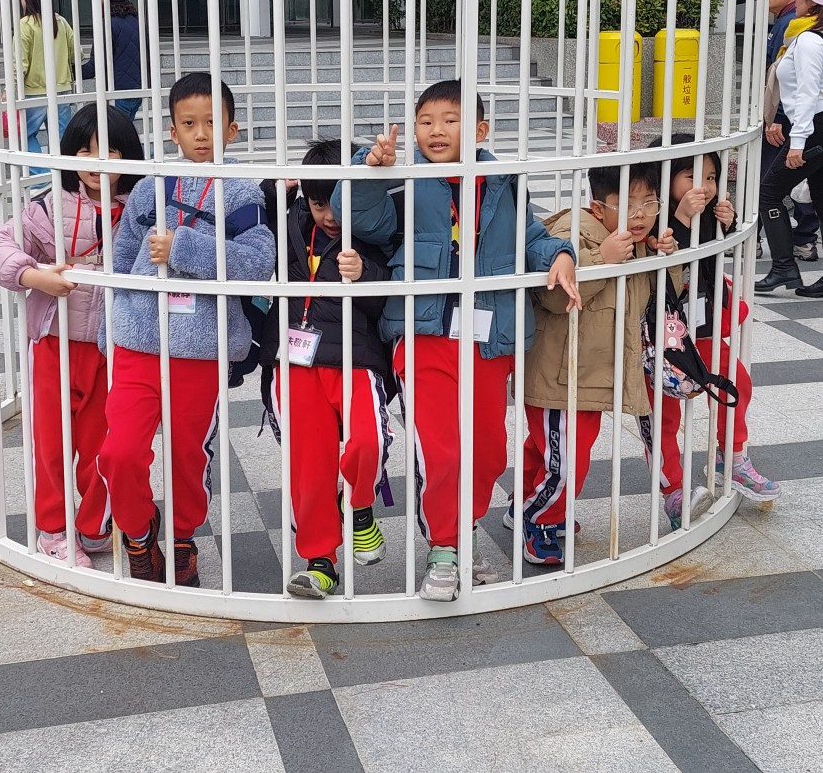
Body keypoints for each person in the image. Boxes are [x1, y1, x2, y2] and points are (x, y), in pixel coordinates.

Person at [334, 78, 581, 601]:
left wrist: (561, 255)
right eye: (425, 122)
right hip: (423, 333)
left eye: (451, 120)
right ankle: (444, 548)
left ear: (480, 130)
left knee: (488, 451)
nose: (436, 130)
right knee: (440, 449)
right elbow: (358, 217)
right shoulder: (405, 179)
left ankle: (461, 530)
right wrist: (370, 168)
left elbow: (531, 237)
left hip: (487, 337)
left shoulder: (503, 181)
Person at [97, 72, 276, 587]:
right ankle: (138, 533)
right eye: (189, 124)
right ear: (172, 131)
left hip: (202, 346)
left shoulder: (243, 193)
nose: (201, 134)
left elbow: (258, 263)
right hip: (138, 340)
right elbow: (121, 263)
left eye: (212, 123)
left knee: (189, 454)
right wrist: (114, 327)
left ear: (232, 130)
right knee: (119, 452)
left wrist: (183, 247)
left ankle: (180, 538)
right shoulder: (149, 187)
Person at [0, 105, 144, 566]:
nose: (96, 161)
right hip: (55, 342)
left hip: (113, 344)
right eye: (84, 150)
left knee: (101, 442)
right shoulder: (51, 205)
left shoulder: (143, 205)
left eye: (109, 150)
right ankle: (52, 528)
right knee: (51, 442)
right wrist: (33, 276)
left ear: (128, 154)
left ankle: (94, 524)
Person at [517, 161, 693, 565]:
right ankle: (540, 519)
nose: (640, 214)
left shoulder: (640, 241)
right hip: (560, 375)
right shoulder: (570, 234)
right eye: (628, 204)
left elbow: (663, 298)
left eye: (649, 203)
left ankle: (527, 503)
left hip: (593, 372)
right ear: (598, 207)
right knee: (567, 460)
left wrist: (667, 260)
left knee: (552, 450)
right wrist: (603, 259)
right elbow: (555, 298)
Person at [261, 139, 393, 599]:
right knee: (309, 463)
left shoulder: (374, 229)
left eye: (337, 202)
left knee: (369, 440)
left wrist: (367, 275)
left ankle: (358, 505)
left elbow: (394, 293)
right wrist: (274, 192)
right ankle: (320, 562)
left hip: (355, 356)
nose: (330, 216)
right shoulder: (290, 223)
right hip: (294, 358)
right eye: (319, 204)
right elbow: (253, 225)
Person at [647, 135, 780, 503]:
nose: (704, 187)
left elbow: (714, 256)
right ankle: (673, 489)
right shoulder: (651, 216)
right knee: (663, 411)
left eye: (711, 177)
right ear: (665, 176)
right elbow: (661, 266)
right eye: (692, 177)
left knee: (735, 381)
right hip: (662, 332)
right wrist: (680, 219)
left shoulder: (708, 213)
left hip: (702, 324)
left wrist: (728, 224)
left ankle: (731, 457)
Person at [757, 0, 823, 294]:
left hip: (811, 128)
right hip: (815, 126)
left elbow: (810, 94)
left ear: (814, 0)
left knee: (768, 193)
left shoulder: (809, 41)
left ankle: (784, 267)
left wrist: (797, 142)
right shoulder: (811, 36)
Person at [17, 0, 75, 175]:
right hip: (63, 88)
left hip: (35, 90)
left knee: (25, 135)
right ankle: (62, 176)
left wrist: (11, 88)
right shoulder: (61, 22)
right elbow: (76, 54)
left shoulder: (25, 24)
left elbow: (20, 63)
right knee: (61, 137)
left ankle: (42, 176)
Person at [82, 0, 144, 121]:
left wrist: (71, 71)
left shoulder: (107, 25)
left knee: (114, 133)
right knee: (125, 132)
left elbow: (95, 66)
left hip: (118, 92)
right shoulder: (136, 21)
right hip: (139, 90)